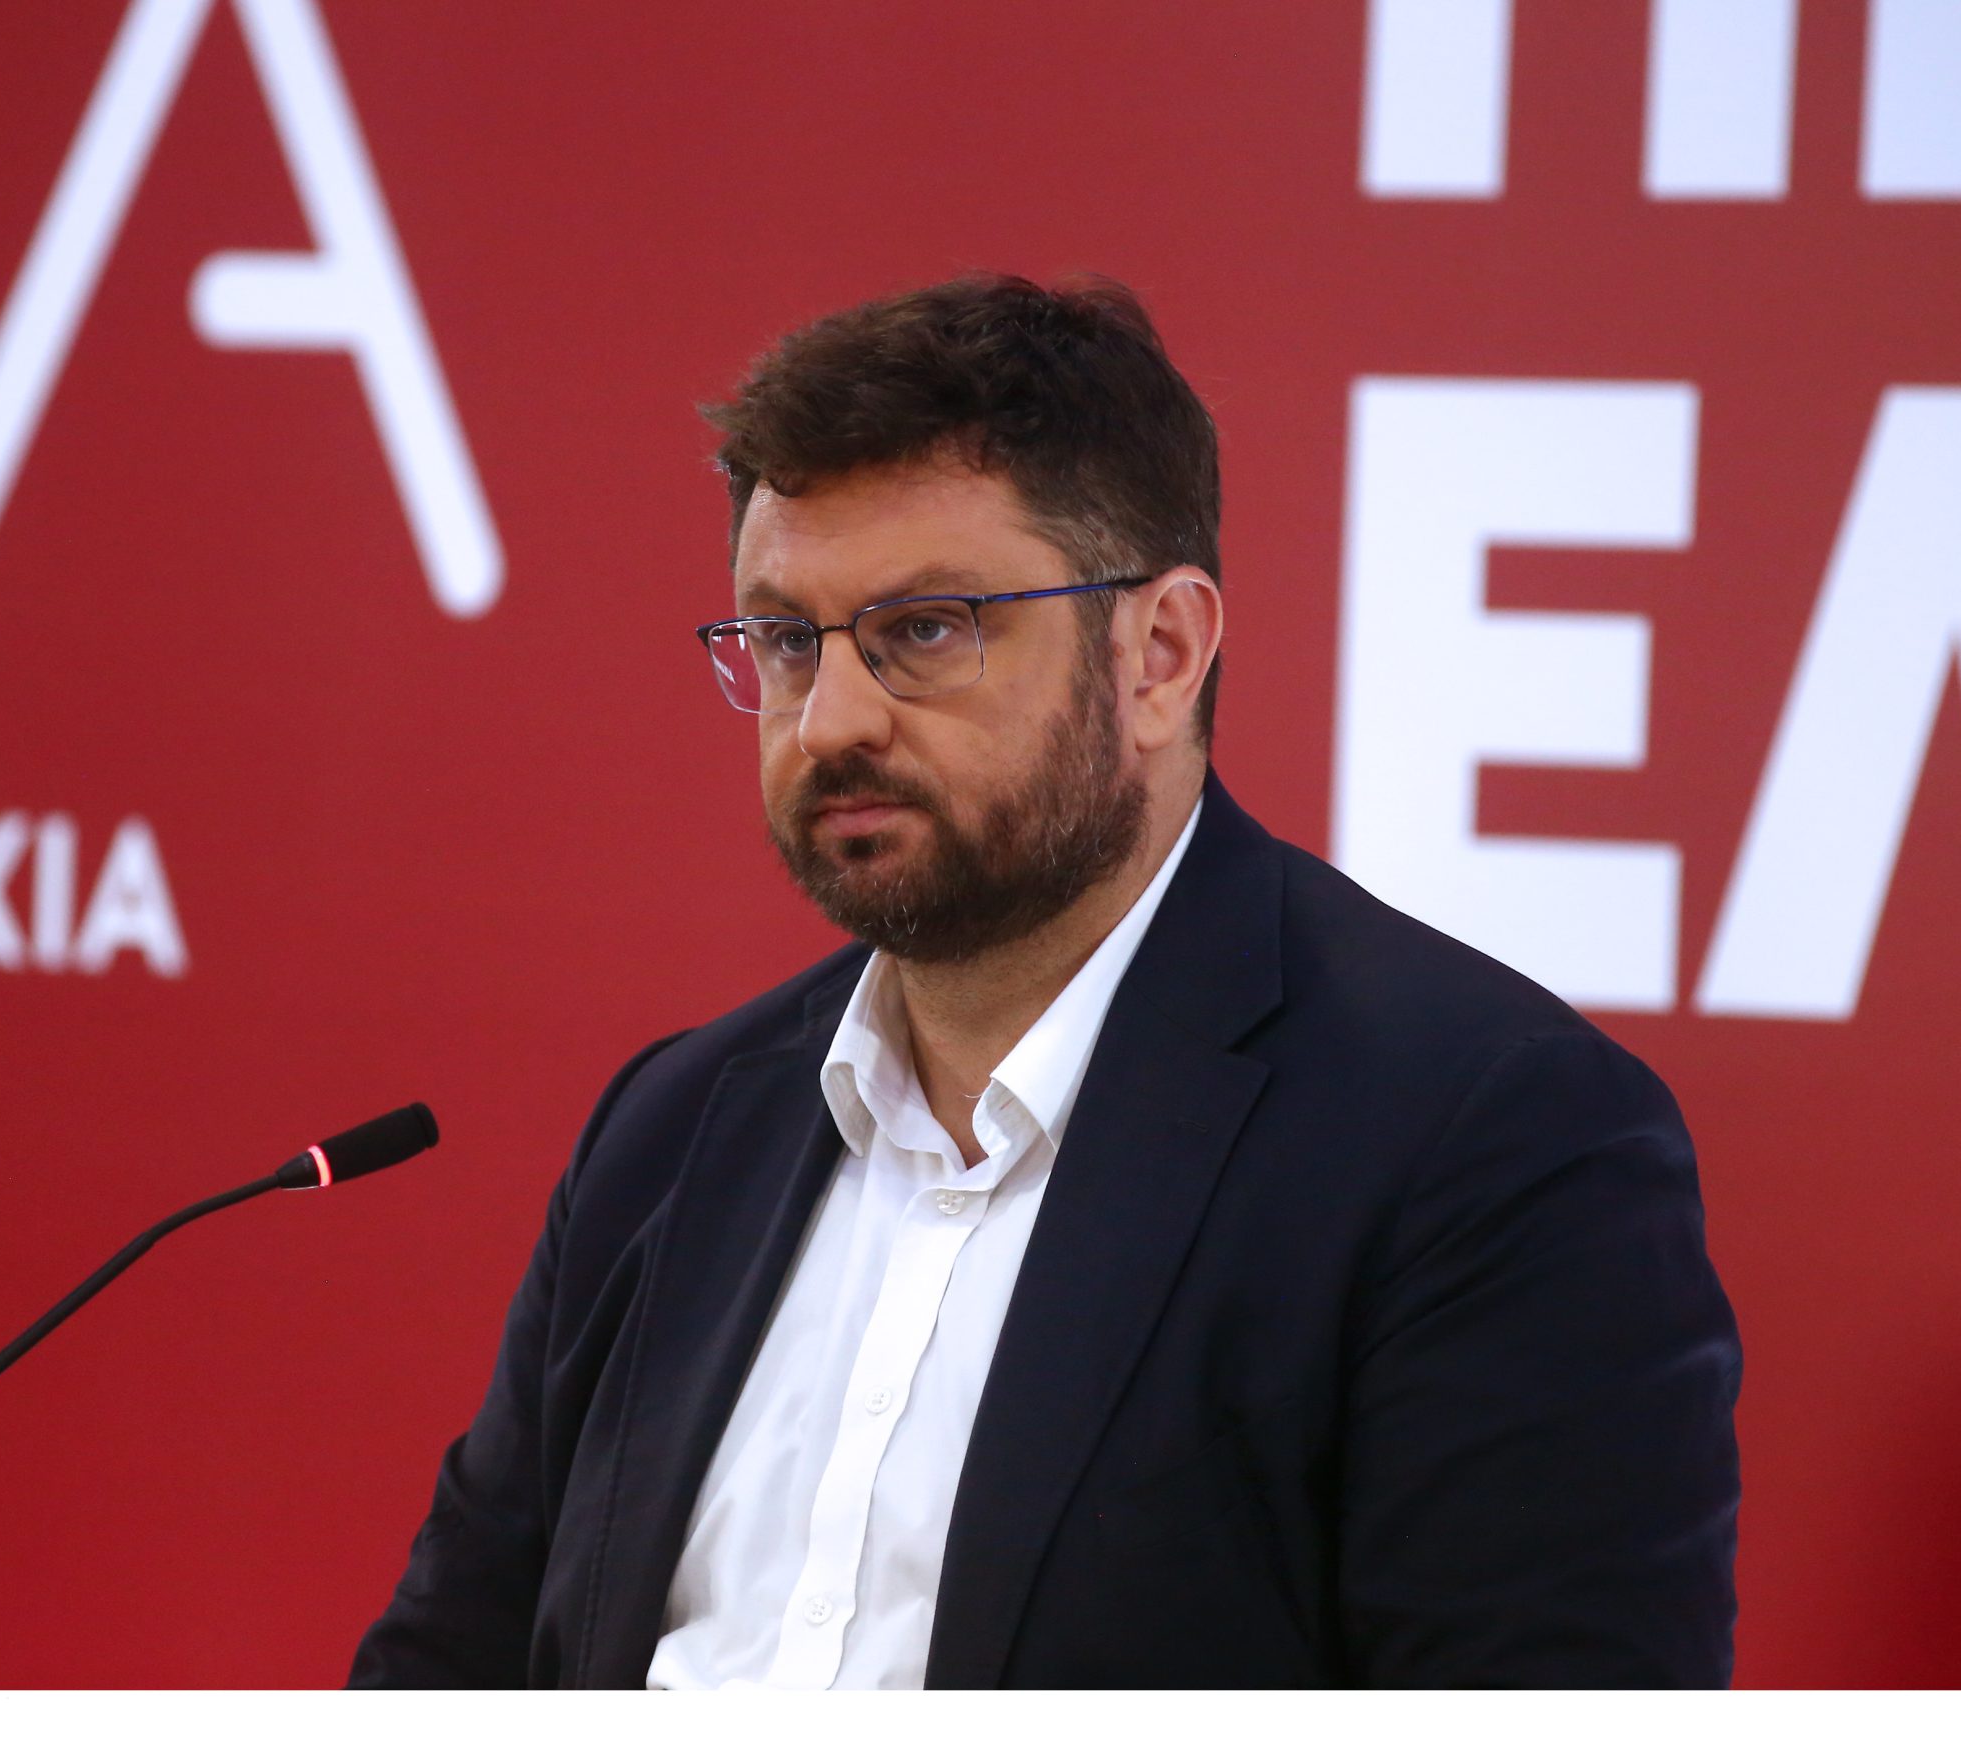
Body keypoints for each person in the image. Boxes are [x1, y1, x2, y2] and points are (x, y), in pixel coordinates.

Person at [348, 274, 1741, 1689]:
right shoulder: (674, 1129)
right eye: (786, 640)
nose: (829, 722)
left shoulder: (1488, 1142)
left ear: (1161, 654)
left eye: (926, 628)